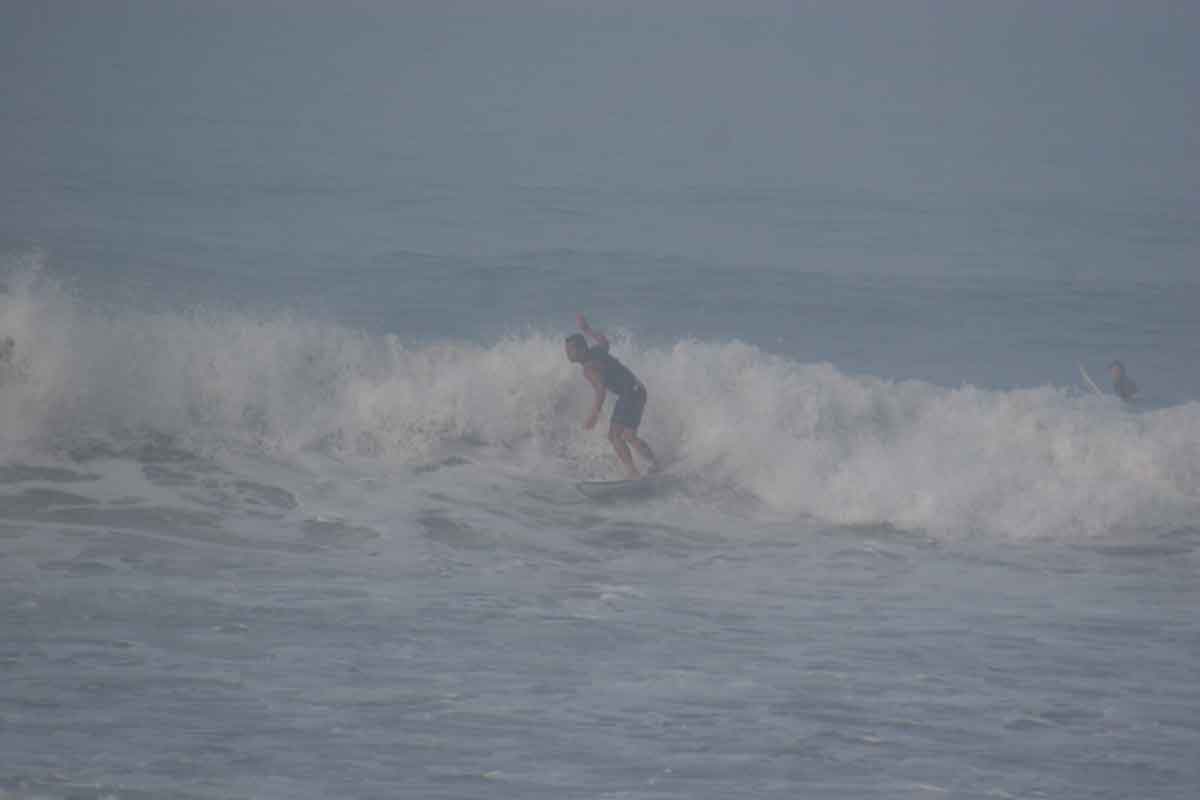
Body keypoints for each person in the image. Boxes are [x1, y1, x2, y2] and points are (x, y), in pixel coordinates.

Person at [565, 314, 658, 478]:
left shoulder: (588, 368)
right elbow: (604, 341)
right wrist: (587, 329)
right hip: (639, 390)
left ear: (580, 349)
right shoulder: (597, 350)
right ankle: (655, 464)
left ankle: (632, 472)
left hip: (629, 394)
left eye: (570, 350)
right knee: (629, 435)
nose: (567, 354)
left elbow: (600, 389)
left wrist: (594, 414)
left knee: (614, 436)